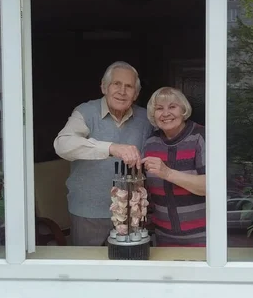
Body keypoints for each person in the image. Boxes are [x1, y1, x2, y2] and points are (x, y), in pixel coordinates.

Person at [53, 61, 154, 246]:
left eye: (129, 86)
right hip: (88, 213)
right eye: (116, 84)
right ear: (104, 87)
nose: (122, 91)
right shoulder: (85, 112)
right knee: (88, 270)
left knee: (128, 268)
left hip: (131, 215)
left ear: (136, 94)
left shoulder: (146, 118)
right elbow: (62, 145)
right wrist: (111, 148)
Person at [141, 87, 206, 247]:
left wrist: (167, 173)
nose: (165, 114)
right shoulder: (150, 144)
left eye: (172, 107)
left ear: (183, 110)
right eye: (159, 108)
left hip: (203, 236)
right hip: (163, 236)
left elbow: (210, 186)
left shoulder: (201, 137)